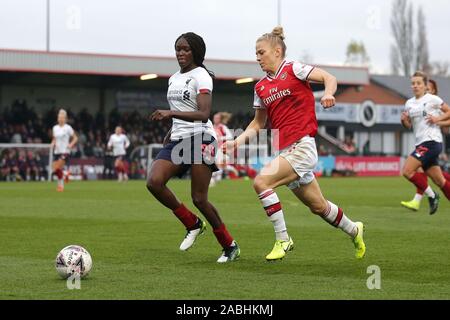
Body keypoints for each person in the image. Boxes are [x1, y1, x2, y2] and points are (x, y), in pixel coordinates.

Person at [223, 26, 365, 261]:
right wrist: (235, 142)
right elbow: (258, 123)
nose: (258, 57)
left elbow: (330, 78)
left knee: (261, 182)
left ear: (277, 51)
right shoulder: (260, 87)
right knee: (319, 207)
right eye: (256, 53)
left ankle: (283, 239)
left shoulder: (294, 69)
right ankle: (354, 229)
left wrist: (329, 93)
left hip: (302, 147)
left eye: (261, 52)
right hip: (285, 150)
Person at [147, 32, 240, 263]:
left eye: (186, 49)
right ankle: (193, 223)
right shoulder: (173, 79)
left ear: (196, 51)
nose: (180, 53)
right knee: (154, 182)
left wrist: (170, 113)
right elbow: (180, 110)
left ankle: (230, 246)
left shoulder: (202, 76)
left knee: (199, 198)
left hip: (201, 138)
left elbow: (203, 114)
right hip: (179, 139)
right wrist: (171, 130)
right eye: (178, 48)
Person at [400, 72, 450, 214]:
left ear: (424, 85)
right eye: (413, 83)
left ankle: (432, 195)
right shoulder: (409, 103)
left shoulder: (432, 99)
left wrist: (437, 119)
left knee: (407, 171)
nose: (415, 86)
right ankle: (434, 194)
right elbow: (408, 125)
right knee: (441, 181)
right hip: (420, 144)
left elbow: (448, 111)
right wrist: (404, 121)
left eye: (418, 83)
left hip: (432, 142)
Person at [51, 109, 78, 192]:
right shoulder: (55, 128)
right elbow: (54, 139)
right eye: (59, 117)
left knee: (58, 166)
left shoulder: (68, 128)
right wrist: (52, 143)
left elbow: (76, 138)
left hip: (65, 151)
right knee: (55, 169)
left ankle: (63, 180)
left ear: (65, 119)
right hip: (56, 151)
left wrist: (71, 144)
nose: (60, 119)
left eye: (62, 117)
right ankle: (63, 180)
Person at [210, 112, 234, 186]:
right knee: (217, 165)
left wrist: (221, 138)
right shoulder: (212, 127)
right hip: (213, 148)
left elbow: (230, 136)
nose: (215, 119)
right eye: (214, 118)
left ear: (220, 119)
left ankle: (215, 179)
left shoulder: (222, 127)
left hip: (221, 148)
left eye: (217, 118)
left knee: (219, 164)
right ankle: (216, 179)